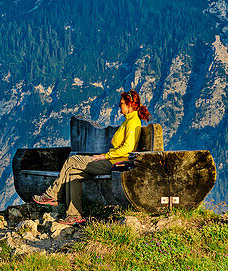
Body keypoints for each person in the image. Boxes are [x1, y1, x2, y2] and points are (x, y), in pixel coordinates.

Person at [33, 90, 150, 224]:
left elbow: (128, 149)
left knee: (73, 160)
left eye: (122, 104)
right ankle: (74, 215)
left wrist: (104, 156)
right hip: (111, 160)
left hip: (115, 163)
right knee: (72, 174)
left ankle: (52, 195)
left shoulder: (133, 123)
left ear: (130, 106)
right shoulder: (127, 121)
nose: (119, 106)